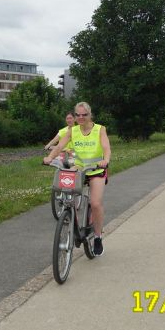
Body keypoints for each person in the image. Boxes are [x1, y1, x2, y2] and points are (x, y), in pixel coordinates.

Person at [43, 102, 111, 256]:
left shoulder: (100, 129)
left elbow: (106, 147)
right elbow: (59, 147)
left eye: (84, 115)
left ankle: (98, 237)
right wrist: (50, 157)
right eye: (78, 115)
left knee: (95, 203)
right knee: (66, 182)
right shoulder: (73, 131)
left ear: (90, 115)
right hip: (79, 167)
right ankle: (69, 212)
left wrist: (105, 160)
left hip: (96, 169)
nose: (81, 118)